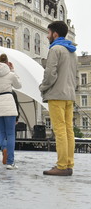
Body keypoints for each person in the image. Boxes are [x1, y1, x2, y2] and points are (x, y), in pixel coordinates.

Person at [40, 21, 77, 176]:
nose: (47, 36)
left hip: (56, 94)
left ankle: (61, 166)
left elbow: (50, 74)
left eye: (48, 33)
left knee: (60, 130)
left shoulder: (55, 49)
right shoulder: (72, 51)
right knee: (69, 130)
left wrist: (43, 87)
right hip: (69, 95)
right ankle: (68, 164)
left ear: (55, 34)